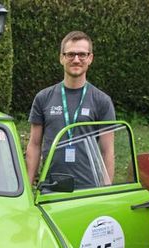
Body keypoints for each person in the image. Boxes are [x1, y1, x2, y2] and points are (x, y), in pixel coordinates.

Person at [26, 31, 116, 187]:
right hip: (51, 188)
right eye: (70, 54)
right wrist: (27, 187)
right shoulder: (43, 97)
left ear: (90, 58)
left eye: (82, 54)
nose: (76, 60)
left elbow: (107, 151)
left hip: (88, 189)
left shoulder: (102, 101)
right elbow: (34, 145)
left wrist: (105, 191)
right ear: (61, 58)